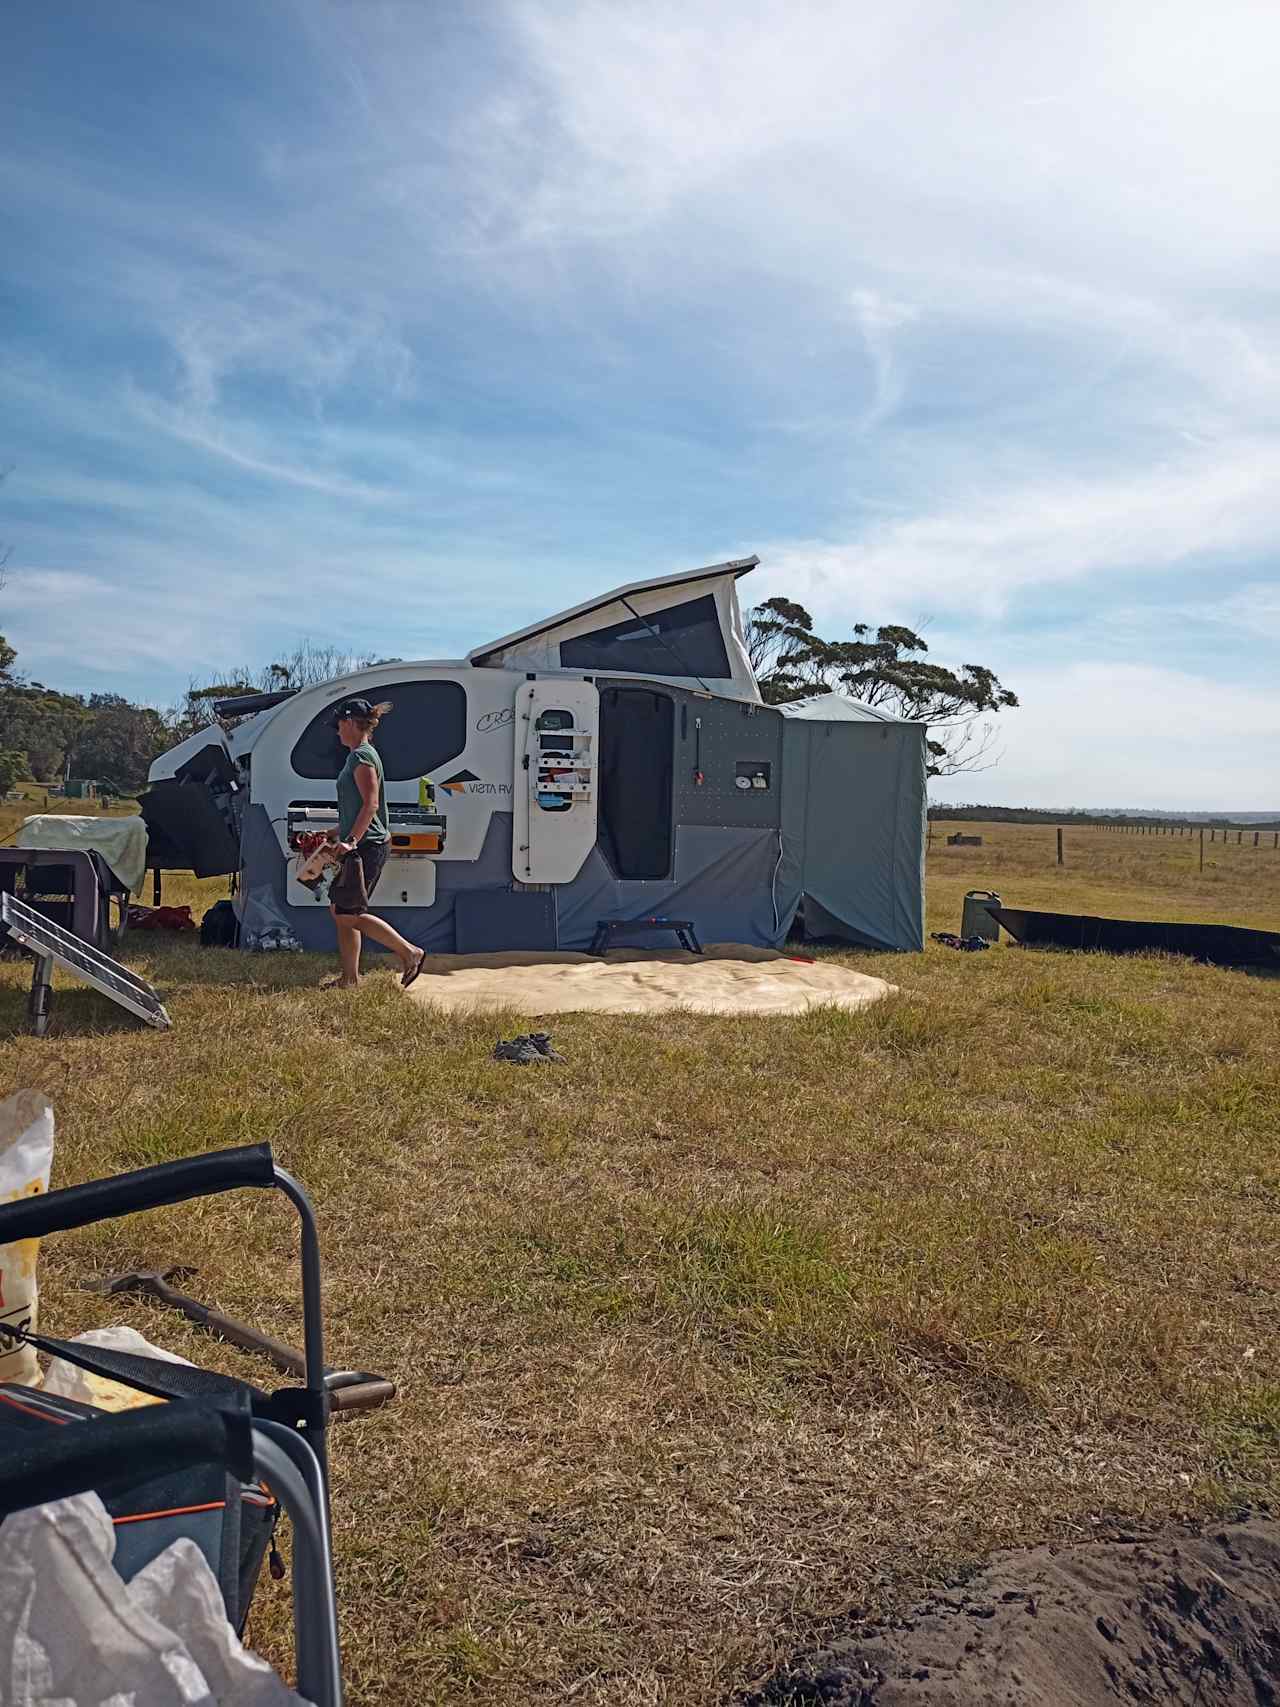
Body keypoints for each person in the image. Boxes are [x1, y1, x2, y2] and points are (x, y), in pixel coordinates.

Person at [326, 698, 425, 990]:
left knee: (348, 913)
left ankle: (410, 952)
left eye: (339, 725)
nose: (336, 732)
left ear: (350, 723)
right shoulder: (358, 755)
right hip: (360, 843)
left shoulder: (362, 757)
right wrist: (335, 832)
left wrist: (351, 841)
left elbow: (370, 805)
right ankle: (350, 979)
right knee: (340, 911)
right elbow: (359, 807)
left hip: (367, 845)